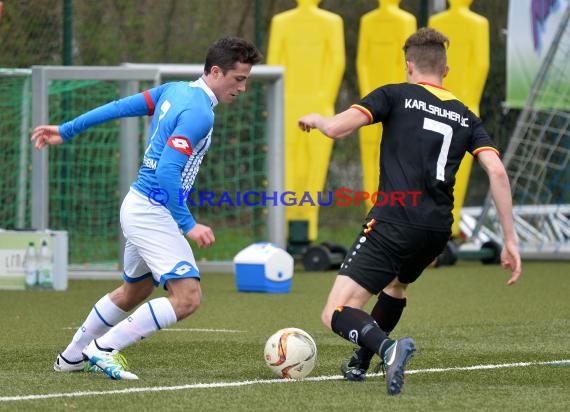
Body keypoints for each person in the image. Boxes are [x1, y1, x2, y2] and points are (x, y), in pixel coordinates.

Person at [298, 27, 522, 395]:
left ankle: (388, 349)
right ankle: (361, 361)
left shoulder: (394, 94)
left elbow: (338, 129)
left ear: (408, 66)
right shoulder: (466, 116)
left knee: (333, 313)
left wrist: (318, 120)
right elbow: (496, 171)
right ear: (445, 71)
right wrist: (510, 240)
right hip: (436, 230)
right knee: (395, 286)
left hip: (394, 219)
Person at [32, 36, 262, 380]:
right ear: (216, 71)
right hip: (155, 211)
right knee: (187, 298)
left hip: (139, 204)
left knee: (135, 290)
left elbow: (119, 107)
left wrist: (68, 129)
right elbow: (168, 171)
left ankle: (71, 357)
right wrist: (188, 224)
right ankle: (103, 349)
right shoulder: (200, 112)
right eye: (239, 79)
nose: (242, 88)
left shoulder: (175, 90)